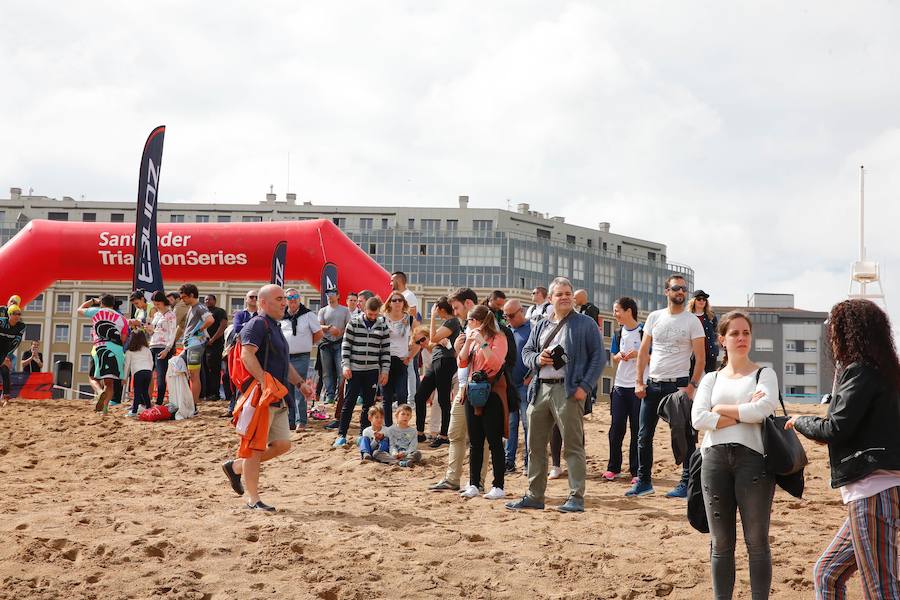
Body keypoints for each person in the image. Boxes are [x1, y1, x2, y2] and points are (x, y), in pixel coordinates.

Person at [787, 299, 900, 600]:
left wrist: (798, 421)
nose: (831, 337)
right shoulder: (886, 373)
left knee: (881, 589)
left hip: (873, 493)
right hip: (879, 491)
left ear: (850, 332)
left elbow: (834, 428)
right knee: (827, 573)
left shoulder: (862, 372)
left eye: (835, 330)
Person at [691, 311, 779, 600]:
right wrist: (743, 411)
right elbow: (697, 419)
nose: (741, 338)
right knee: (721, 543)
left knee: (757, 541)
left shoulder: (764, 374)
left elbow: (763, 409)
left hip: (754, 460)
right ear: (722, 339)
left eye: (746, 333)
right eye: (734, 333)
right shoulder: (711, 378)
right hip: (713, 460)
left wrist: (721, 410)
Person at [507, 277, 605, 513]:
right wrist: (538, 359)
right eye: (559, 294)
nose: (564, 297)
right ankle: (534, 495)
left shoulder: (586, 323)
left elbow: (599, 358)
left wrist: (585, 387)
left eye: (567, 293)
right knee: (535, 445)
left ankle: (575, 497)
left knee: (572, 445)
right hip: (540, 388)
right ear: (550, 299)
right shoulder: (540, 324)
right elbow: (527, 353)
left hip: (569, 390)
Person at [221, 284, 306, 512]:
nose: (284, 302)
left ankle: (236, 467)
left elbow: (284, 363)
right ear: (263, 303)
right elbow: (246, 354)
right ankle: (253, 499)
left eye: (284, 299)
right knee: (255, 449)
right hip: (261, 396)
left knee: (282, 445)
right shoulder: (257, 323)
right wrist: (262, 381)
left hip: (277, 395)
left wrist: (300, 383)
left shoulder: (275, 326)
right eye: (279, 299)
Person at [626, 274, 706, 498]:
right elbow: (643, 351)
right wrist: (639, 381)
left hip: (679, 386)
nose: (680, 292)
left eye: (683, 289)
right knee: (643, 436)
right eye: (676, 288)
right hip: (653, 385)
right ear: (666, 291)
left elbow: (700, 358)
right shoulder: (654, 317)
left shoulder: (692, 321)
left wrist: (691, 386)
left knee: (685, 436)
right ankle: (644, 482)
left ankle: (686, 482)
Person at [427, 288, 489, 493]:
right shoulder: (464, 327)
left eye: (456, 308)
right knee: (455, 433)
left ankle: (477, 482)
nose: (455, 312)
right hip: (463, 388)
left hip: (482, 390)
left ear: (469, 304)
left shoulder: (491, 328)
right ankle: (452, 479)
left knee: (480, 438)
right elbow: (462, 360)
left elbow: (498, 360)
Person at [458, 304, 509, 500]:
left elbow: (496, 363)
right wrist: (467, 342)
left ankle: (498, 485)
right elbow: (462, 362)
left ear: (478, 321)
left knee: (494, 441)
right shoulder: (471, 339)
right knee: (475, 441)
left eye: (470, 320)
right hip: (472, 391)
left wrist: (482, 342)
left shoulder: (499, 338)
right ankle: (473, 484)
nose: (467, 324)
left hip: (492, 392)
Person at [333, 297, 389, 448]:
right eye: (370, 314)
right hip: (354, 370)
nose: (372, 317)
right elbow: (346, 345)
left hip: (372, 371)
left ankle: (363, 435)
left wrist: (385, 371)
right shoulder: (354, 322)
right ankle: (341, 434)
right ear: (365, 310)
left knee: (368, 405)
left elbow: (385, 351)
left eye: (375, 315)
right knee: (349, 402)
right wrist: (346, 365)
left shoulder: (383, 325)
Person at [604, 296, 643, 482]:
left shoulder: (644, 332)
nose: (615, 314)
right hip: (619, 386)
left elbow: (654, 357)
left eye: (617, 310)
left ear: (629, 311)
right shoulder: (618, 334)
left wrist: (639, 354)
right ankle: (613, 468)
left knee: (637, 430)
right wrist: (619, 356)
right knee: (616, 429)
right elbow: (613, 356)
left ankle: (636, 472)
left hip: (638, 387)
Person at [414, 297, 460, 447]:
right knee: (420, 396)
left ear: (440, 309)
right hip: (438, 360)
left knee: (443, 400)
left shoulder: (452, 322)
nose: (435, 312)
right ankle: (420, 433)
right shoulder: (449, 323)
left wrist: (432, 317)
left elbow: (432, 337)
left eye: (435, 310)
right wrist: (437, 340)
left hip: (445, 361)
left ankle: (443, 435)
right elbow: (434, 341)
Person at [76, 295, 129, 413]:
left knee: (92, 377)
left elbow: (79, 310)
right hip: (117, 350)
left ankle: (100, 393)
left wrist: (92, 301)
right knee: (109, 382)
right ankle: (105, 409)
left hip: (100, 347)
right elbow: (124, 338)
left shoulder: (97, 311)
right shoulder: (123, 319)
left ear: (101, 303)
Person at [281, 288, 323, 431]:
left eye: (295, 296)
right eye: (289, 297)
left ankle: (301, 421)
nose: (292, 299)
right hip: (285, 357)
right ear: (286, 300)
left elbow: (318, 333)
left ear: (300, 299)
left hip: (301, 356)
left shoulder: (308, 315)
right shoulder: (281, 315)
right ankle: (290, 420)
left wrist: (307, 343)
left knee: (300, 388)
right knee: (286, 389)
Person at [503, 299, 531, 474]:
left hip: (526, 385)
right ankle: (509, 461)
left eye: (512, 315)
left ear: (522, 311)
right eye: (506, 316)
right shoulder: (506, 330)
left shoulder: (533, 329)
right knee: (511, 424)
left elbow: (539, 353)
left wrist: (532, 375)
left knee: (528, 424)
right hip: (509, 386)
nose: (509, 319)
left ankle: (529, 462)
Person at [381, 292, 416, 425]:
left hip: (402, 361)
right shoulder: (382, 319)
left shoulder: (409, 319)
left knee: (402, 395)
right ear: (389, 302)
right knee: (387, 398)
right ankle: (388, 426)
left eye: (400, 300)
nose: (397, 302)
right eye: (394, 300)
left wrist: (410, 355)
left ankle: (402, 426)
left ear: (404, 303)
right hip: (385, 361)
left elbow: (421, 338)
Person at [179, 284, 214, 412]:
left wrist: (199, 330)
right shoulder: (193, 308)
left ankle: (193, 405)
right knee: (182, 370)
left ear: (192, 295)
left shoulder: (199, 307)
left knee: (194, 375)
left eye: (184, 297)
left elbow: (210, 320)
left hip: (195, 344)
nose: (182, 300)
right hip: (190, 344)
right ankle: (189, 402)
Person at [318, 288, 351, 406]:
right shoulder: (322, 310)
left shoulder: (345, 310)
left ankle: (340, 394)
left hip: (340, 343)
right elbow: (318, 326)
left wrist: (340, 332)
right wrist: (328, 328)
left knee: (340, 370)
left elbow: (349, 326)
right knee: (326, 371)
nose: (329, 297)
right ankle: (330, 395)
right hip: (326, 343)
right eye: (327, 294)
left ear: (338, 296)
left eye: (332, 294)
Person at [146, 291, 176, 405]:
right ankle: (147, 400)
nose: (156, 306)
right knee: (148, 374)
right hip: (152, 344)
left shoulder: (170, 315)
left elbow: (173, 333)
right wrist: (149, 329)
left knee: (160, 375)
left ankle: (159, 402)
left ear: (163, 302)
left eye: (158, 304)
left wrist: (167, 349)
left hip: (163, 347)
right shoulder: (157, 314)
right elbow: (153, 332)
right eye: (155, 304)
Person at [201, 294, 228, 401]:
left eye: (209, 299)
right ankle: (205, 393)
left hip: (215, 345)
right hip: (202, 345)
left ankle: (215, 393)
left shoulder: (219, 311)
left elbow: (223, 325)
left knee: (214, 369)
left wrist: (213, 339)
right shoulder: (203, 313)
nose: (207, 301)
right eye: (205, 299)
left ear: (215, 301)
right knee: (204, 369)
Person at [123, 330, 155, 417]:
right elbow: (151, 362)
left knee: (137, 392)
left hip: (138, 372)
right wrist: (150, 370)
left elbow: (127, 366)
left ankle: (134, 411)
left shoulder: (129, 351)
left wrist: (124, 378)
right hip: (148, 371)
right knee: (145, 391)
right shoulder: (147, 350)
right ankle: (149, 408)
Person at [0, 305, 26, 402]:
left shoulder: (21, 326)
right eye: (15, 314)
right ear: (9, 315)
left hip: (4, 350)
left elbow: (16, 343)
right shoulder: (2, 321)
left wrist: (7, 356)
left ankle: (6, 398)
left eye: (19, 314)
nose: (17, 316)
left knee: (5, 371)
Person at [690, 290, 719, 374]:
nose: (702, 301)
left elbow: (716, 332)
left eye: (704, 299)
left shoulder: (711, 316)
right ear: (694, 301)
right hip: (692, 354)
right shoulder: (688, 316)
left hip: (709, 353)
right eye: (699, 299)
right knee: (691, 378)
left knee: (711, 378)